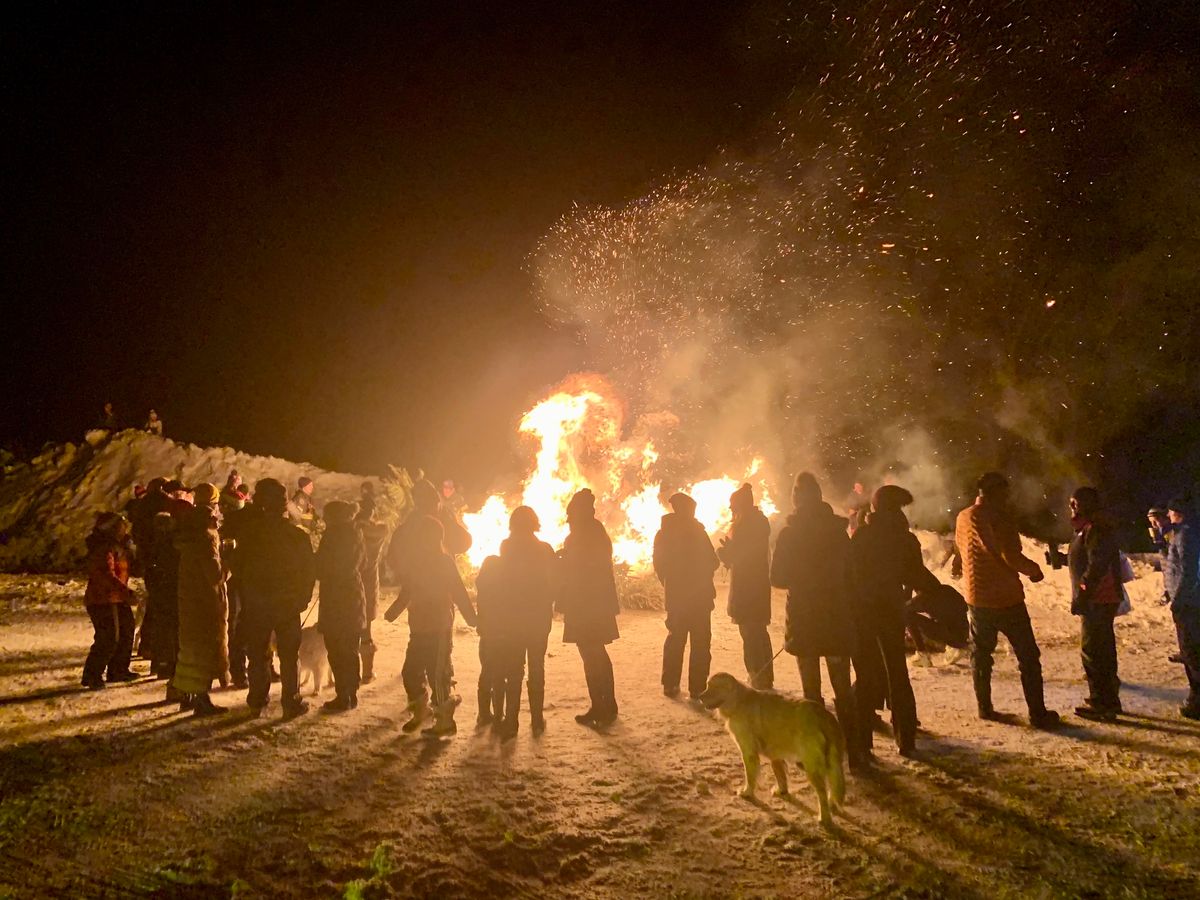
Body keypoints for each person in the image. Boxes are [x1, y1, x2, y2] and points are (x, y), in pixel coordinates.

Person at [954, 472, 1060, 729]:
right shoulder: (999, 517)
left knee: (981, 654)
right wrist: (1034, 570)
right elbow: (1009, 555)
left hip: (976, 597)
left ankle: (984, 707)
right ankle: (1037, 713)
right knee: (1027, 656)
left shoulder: (964, 516)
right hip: (1006, 598)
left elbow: (960, 548)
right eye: (1005, 492)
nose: (1008, 497)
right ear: (996, 492)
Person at [770, 473, 862, 760]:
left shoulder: (790, 534)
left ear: (796, 499)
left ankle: (818, 750)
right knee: (843, 689)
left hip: (805, 619)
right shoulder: (837, 532)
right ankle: (856, 750)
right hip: (835, 617)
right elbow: (852, 574)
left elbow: (778, 578)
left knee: (812, 693)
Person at [848, 485, 941, 757]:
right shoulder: (903, 539)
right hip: (890, 611)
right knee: (897, 673)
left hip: (863, 613)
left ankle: (862, 742)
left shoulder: (863, 536)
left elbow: (850, 573)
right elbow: (916, 575)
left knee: (865, 675)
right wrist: (935, 591)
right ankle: (905, 738)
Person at [232, 478, 317, 719]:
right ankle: (291, 701)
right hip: (287, 604)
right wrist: (303, 597)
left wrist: (246, 594)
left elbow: (237, 567)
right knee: (289, 655)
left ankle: (257, 699)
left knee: (258, 653)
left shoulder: (248, 535)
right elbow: (308, 569)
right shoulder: (295, 536)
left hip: (257, 603)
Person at [387, 515, 478, 736]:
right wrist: (393, 611)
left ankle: (445, 721)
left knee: (439, 675)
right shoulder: (415, 564)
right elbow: (408, 591)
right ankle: (421, 711)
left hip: (439, 627)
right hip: (418, 627)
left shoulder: (444, 562)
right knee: (410, 672)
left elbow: (457, 591)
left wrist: (472, 618)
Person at [492, 506, 557, 737]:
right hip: (539, 616)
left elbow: (503, 581)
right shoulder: (545, 549)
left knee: (514, 668)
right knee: (537, 666)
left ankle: (511, 719)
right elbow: (554, 582)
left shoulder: (506, 547)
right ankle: (537, 718)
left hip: (513, 617)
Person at [558, 488, 620, 727]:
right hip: (596, 604)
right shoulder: (595, 531)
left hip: (586, 605)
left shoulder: (583, 535)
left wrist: (562, 561)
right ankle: (607, 704)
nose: (569, 518)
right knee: (597, 654)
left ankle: (601, 706)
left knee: (592, 655)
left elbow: (581, 570)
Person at [169, 484, 229, 716]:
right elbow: (215, 574)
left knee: (190, 650)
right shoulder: (206, 540)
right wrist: (228, 561)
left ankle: (187, 695)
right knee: (204, 649)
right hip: (205, 602)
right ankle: (202, 699)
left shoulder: (188, 537)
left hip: (189, 599)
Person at [653, 492, 720, 700]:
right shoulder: (697, 531)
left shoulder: (664, 533)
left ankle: (670, 684)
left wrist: (670, 583)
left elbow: (659, 564)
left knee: (676, 640)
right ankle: (698, 688)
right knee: (700, 643)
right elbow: (713, 561)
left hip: (678, 597)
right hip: (699, 597)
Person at [1067, 487, 1123, 721]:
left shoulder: (1096, 529)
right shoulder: (1092, 527)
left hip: (1097, 599)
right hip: (1099, 598)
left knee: (1094, 650)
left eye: (1074, 503)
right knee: (1102, 649)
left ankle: (1103, 702)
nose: (1071, 508)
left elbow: (1097, 565)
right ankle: (1107, 698)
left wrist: (1083, 593)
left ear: (1084, 504)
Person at [717, 483, 774, 689]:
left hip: (748, 589)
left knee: (751, 634)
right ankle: (764, 675)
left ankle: (757, 675)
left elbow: (742, 557)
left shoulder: (747, 526)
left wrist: (726, 554)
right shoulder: (756, 523)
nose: (731, 511)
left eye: (733, 507)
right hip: (755, 586)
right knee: (757, 632)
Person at [316, 501, 367, 712]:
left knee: (337, 649)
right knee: (350, 649)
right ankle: (350, 693)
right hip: (354, 596)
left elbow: (322, 566)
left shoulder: (333, 536)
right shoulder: (357, 535)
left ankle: (343, 695)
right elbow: (362, 564)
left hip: (336, 599)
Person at [81, 512, 138, 689]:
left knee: (126, 631)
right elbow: (106, 574)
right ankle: (92, 674)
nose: (125, 529)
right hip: (103, 599)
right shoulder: (103, 548)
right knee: (108, 637)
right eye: (121, 526)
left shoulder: (118, 546)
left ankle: (118, 669)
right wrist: (125, 591)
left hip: (116, 598)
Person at [1161, 498, 1200, 720]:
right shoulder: (1185, 532)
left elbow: (1188, 571)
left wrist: (1180, 600)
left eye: (1171, 511)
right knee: (1192, 650)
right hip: (1190, 601)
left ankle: (1197, 699)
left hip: (1189, 604)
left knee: (1192, 652)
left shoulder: (1185, 534)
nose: (1169, 515)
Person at [355, 495, 390, 684]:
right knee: (366, 631)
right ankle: (367, 673)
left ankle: (350, 674)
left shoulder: (353, 532)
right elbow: (382, 527)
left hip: (352, 586)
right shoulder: (380, 532)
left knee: (350, 631)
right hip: (369, 586)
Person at [474, 553, 509, 728]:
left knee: (486, 673)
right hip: (503, 638)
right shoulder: (505, 591)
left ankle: (484, 713)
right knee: (500, 676)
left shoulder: (483, 590)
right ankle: (499, 714)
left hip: (487, 638)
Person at [906, 582, 969, 667]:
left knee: (905, 614)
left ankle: (921, 654)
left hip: (953, 637)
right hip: (963, 633)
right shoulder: (946, 589)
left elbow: (904, 606)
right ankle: (956, 644)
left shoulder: (925, 597)